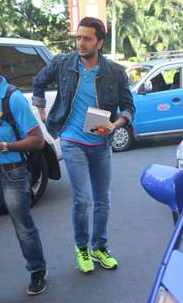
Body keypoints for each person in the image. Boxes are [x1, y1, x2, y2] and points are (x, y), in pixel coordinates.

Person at [32, 17, 135, 273]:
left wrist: (117, 124)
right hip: (72, 140)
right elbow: (39, 81)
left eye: (87, 38)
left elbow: (128, 107)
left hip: (101, 142)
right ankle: (82, 248)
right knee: (83, 199)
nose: (80, 42)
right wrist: (41, 107)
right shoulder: (63, 63)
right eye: (78, 37)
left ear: (99, 43)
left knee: (103, 200)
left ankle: (100, 247)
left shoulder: (115, 72)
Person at [0, 46, 47, 303]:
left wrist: (2, 146)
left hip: (13, 174)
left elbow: (37, 141)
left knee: (23, 228)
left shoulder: (13, 98)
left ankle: (37, 271)